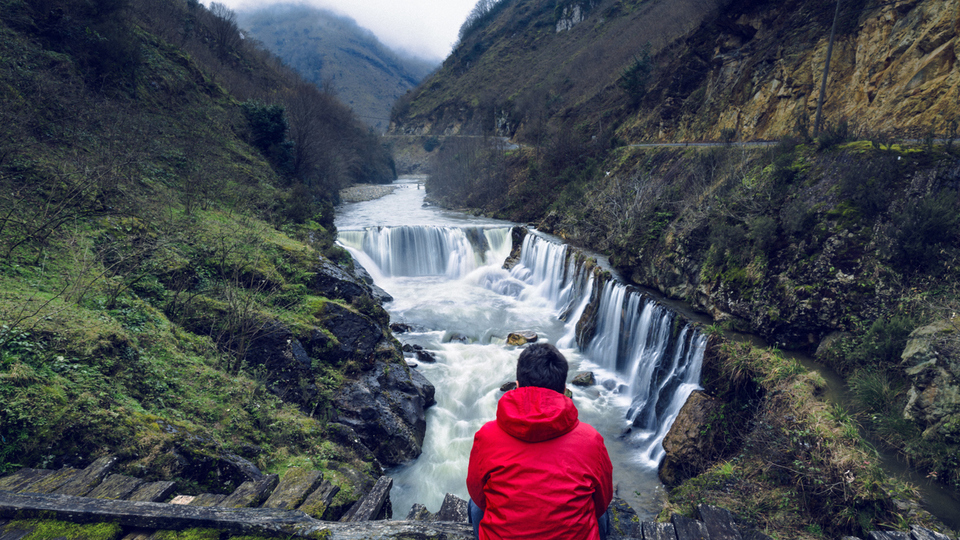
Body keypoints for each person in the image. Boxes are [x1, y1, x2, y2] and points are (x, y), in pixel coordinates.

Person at [466, 342, 613, 540]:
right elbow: (603, 500)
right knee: (599, 511)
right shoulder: (591, 440)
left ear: (517, 386)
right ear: (564, 390)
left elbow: (478, 495)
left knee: (474, 505)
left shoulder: (486, 436)